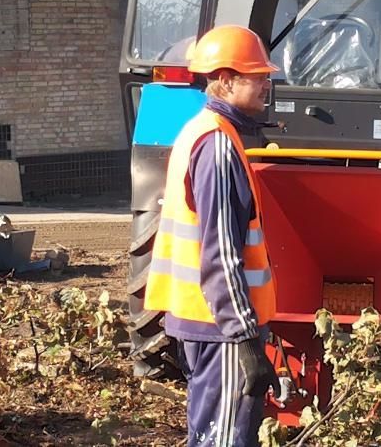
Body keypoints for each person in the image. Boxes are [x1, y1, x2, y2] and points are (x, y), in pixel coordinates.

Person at [144, 24, 280, 447]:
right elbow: (220, 254)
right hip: (218, 328)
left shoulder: (206, 132)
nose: (266, 84)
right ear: (224, 80)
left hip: (208, 322)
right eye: (256, 75)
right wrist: (244, 339)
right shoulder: (218, 146)